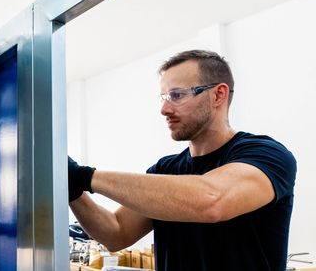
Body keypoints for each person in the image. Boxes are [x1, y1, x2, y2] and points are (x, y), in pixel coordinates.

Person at [68, 50, 297, 270]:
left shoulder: (267, 156)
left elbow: (211, 200)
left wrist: (86, 176)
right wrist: (71, 186)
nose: (164, 109)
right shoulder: (165, 168)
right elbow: (116, 233)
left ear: (218, 95)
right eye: (164, 97)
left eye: (177, 95)